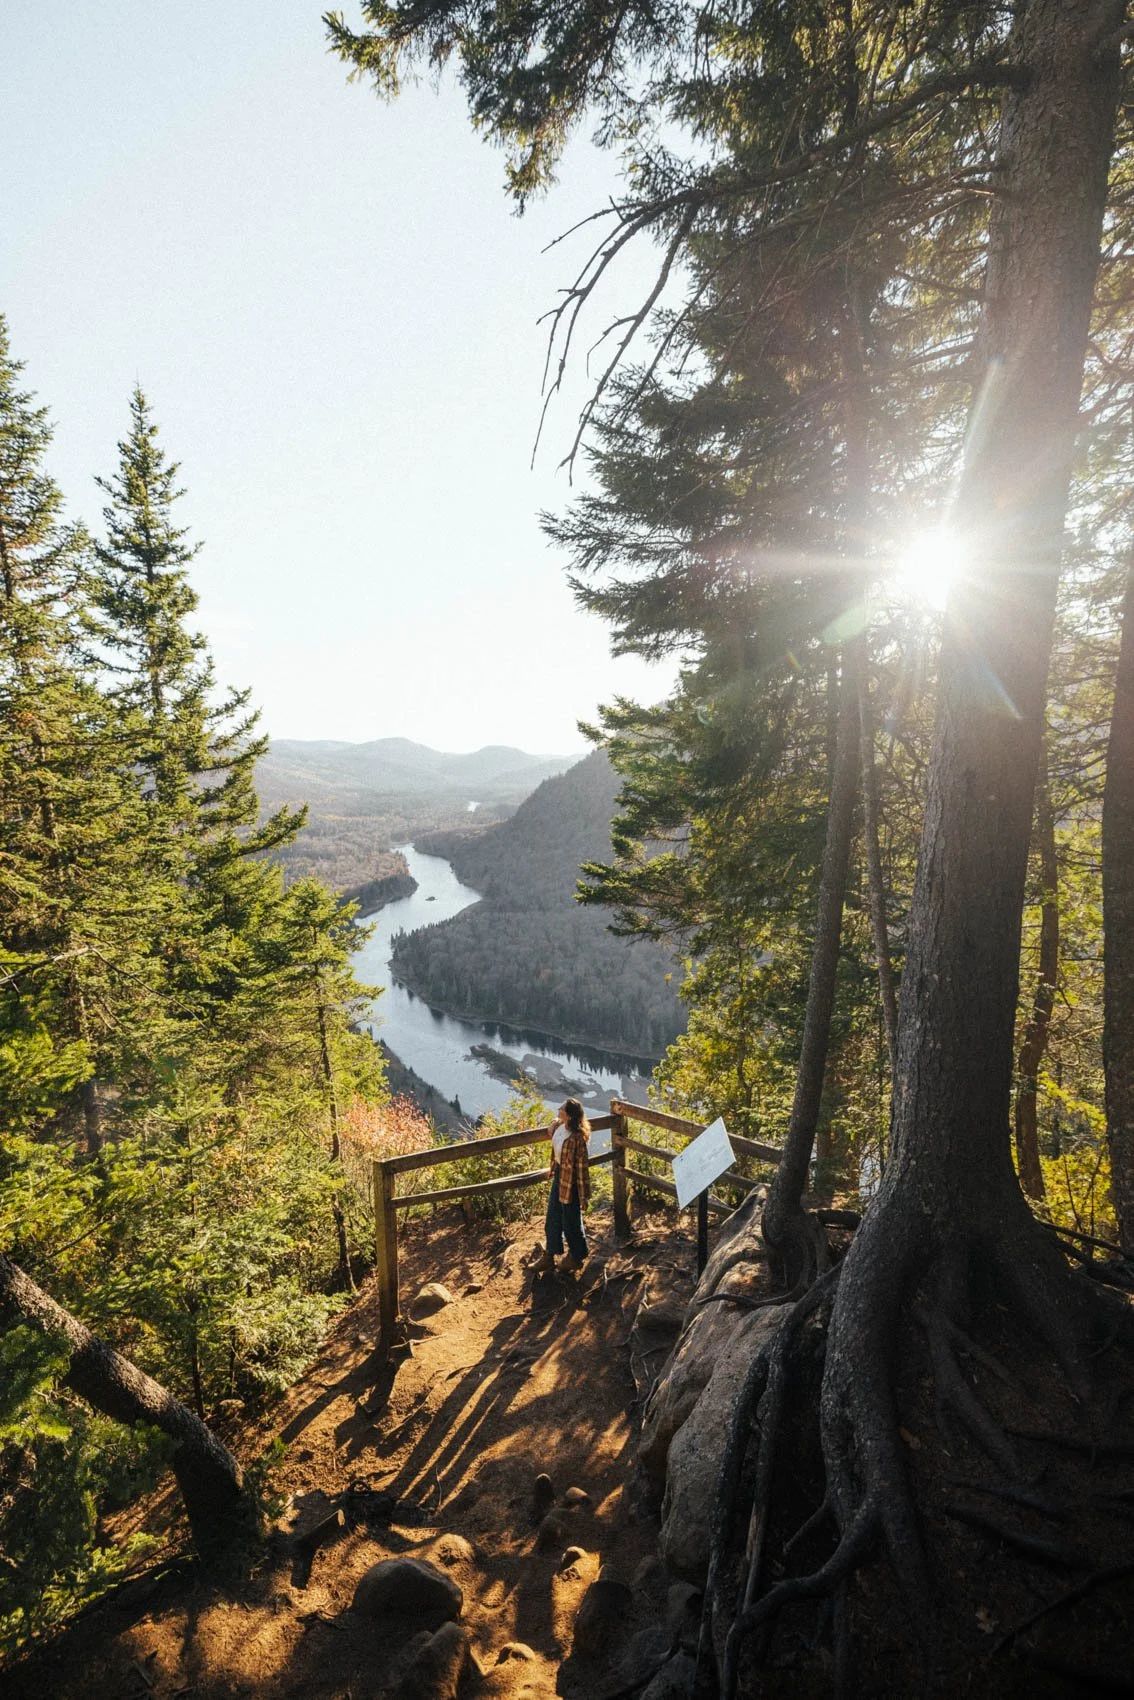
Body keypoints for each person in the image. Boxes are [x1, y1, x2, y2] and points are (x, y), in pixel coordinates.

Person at [532, 1098, 590, 1275]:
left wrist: (584, 1196)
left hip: (571, 1182)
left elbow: (582, 1168)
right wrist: (552, 1124)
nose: (558, 1109)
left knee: (571, 1220)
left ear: (569, 1115)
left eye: (562, 1109)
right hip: (559, 1176)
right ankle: (549, 1255)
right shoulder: (560, 1126)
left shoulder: (577, 1138)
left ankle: (576, 1257)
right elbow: (555, 1122)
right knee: (553, 1216)